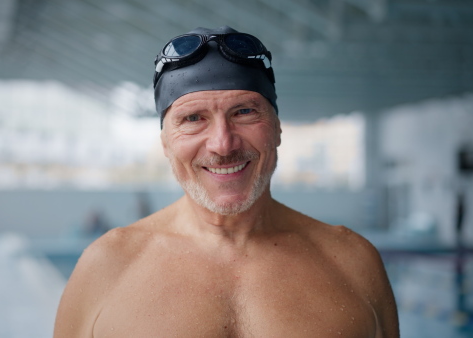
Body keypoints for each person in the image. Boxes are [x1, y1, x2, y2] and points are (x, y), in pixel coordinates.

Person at [54, 26, 399, 337]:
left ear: (277, 128)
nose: (223, 143)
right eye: (193, 118)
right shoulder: (107, 265)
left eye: (244, 112)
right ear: (166, 143)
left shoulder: (352, 261)